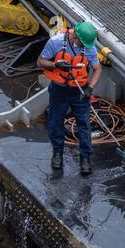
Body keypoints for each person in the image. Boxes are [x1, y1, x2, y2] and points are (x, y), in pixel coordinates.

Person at [37, 21, 101, 175]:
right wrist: (56, 65)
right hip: (59, 90)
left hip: (79, 91)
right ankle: (57, 153)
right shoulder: (55, 42)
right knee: (55, 122)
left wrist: (90, 88)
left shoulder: (90, 48)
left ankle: (85, 158)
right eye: (81, 43)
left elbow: (97, 69)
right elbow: (40, 62)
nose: (83, 46)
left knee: (84, 125)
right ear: (75, 37)